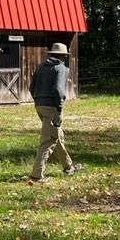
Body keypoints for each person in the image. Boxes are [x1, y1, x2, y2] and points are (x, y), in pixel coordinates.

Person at [28, 42, 82, 183]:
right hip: (52, 107)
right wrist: (59, 108)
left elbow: (31, 87)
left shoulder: (40, 67)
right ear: (63, 56)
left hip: (39, 105)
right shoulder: (61, 68)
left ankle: (68, 166)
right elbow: (58, 90)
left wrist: (38, 99)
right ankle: (37, 174)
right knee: (49, 140)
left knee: (57, 135)